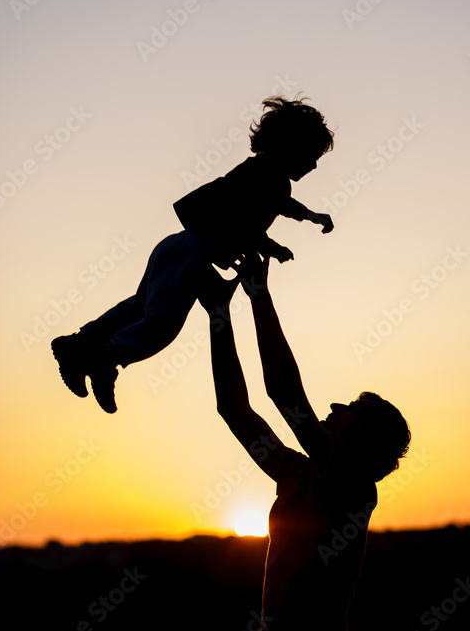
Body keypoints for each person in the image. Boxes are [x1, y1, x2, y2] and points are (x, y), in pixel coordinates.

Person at [198, 251, 411, 631]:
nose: (336, 406)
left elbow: (285, 395)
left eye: (351, 413)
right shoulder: (299, 473)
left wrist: (257, 293)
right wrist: (217, 315)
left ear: (363, 448)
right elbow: (234, 409)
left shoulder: (353, 487)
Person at [50, 96, 335, 413]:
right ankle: (105, 359)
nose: (314, 165)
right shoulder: (267, 176)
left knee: (139, 307)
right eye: (311, 155)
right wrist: (278, 238)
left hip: (178, 247)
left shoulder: (268, 177)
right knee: (161, 323)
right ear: (289, 147)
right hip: (191, 254)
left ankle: (79, 345)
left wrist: (300, 223)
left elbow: (257, 212)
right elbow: (244, 214)